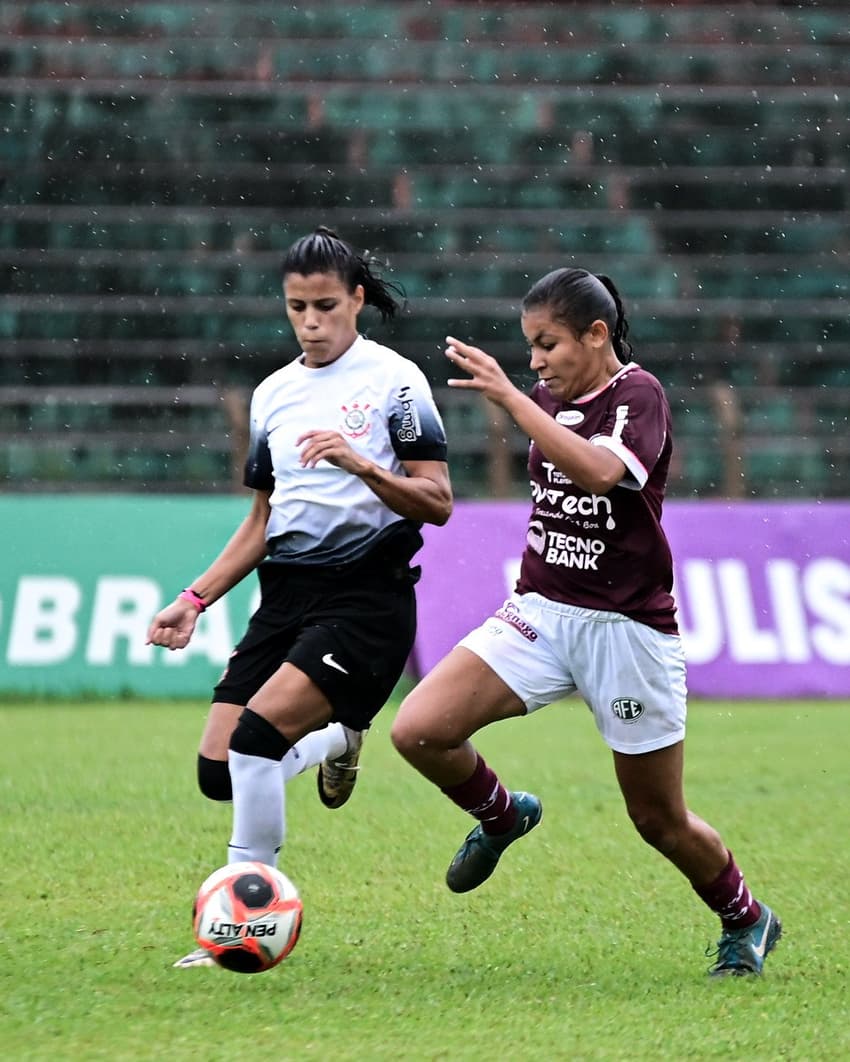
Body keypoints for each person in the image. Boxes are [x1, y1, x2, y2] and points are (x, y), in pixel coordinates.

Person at [390, 267, 781, 977]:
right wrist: (523, 400)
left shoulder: (639, 394)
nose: (536, 362)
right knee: (418, 730)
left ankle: (745, 916)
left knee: (657, 819)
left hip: (626, 630)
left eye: (548, 344)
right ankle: (503, 814)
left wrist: (511, 398)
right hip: (540, 610)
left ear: (597, 335)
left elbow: (601, 473)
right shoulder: (545, 398)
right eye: (529, 348)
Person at [147, 226, 452, 968]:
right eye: (296, 308)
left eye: (325, 306)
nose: (311, 323)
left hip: (367, 597)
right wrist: (195, 598)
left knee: (256, 743)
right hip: (285, 596)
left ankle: (244, 923)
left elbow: (438, 501)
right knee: (218, 772)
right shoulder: (273, 395)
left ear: (356, 299)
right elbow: (262, 520)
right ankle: (338, 740)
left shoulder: (396, 382)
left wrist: (361, 465)